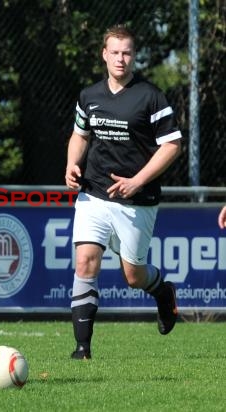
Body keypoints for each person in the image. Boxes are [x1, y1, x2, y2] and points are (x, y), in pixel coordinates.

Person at [64, 24, 182, 360]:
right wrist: (73, 164)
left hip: (136, 200)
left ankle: (163, 292)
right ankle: (82, 348)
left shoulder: (150, 96)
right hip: (94, 193)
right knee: (85, 262)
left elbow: (172, 145)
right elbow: (80, 134)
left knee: (133, 275)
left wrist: (138, 180)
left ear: (134, 55)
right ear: (104, 54)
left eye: (127, 52)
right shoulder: (89, 95)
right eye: (114, 52)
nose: (121, 58)